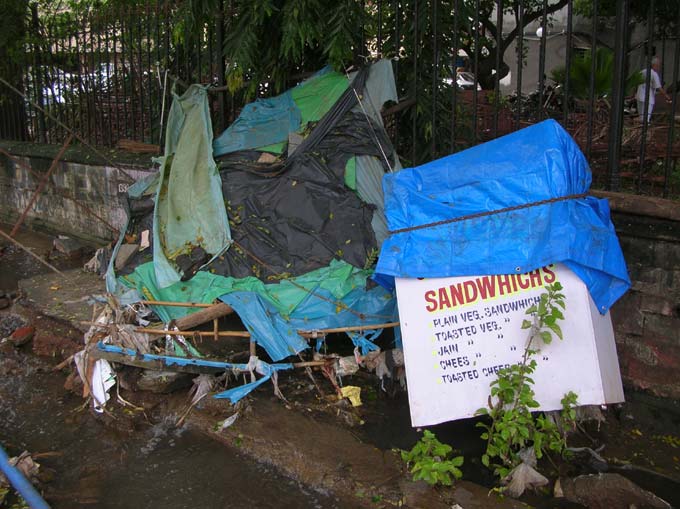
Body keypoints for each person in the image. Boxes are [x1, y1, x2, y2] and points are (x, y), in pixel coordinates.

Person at [636, 57, 671, 122]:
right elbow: (658, 87)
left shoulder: (642, 71)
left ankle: (639, 129)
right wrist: (666, 96)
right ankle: (645, 131)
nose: (659, 68)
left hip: (639, 97)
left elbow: (636, 83)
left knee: (641, 117)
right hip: (648, 99)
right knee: (646, 118)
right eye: (658, 66)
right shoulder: (654, 74)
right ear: (654, 65)